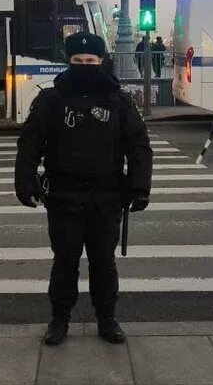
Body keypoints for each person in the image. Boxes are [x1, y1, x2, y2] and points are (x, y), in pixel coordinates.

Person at [15, 32, 153, 347]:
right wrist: (24, 181)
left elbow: (139, 145)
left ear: (102, 62)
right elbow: (30, 142)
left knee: (104, 262)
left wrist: (140, 186)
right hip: (64, 197)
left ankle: (107, 318)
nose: (84, 66)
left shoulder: (119, 100)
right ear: (69, 62)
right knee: (65, 262)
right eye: (78, 62)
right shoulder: (51, 99)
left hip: (106, 198)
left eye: (90, 61)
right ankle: (59, 319)